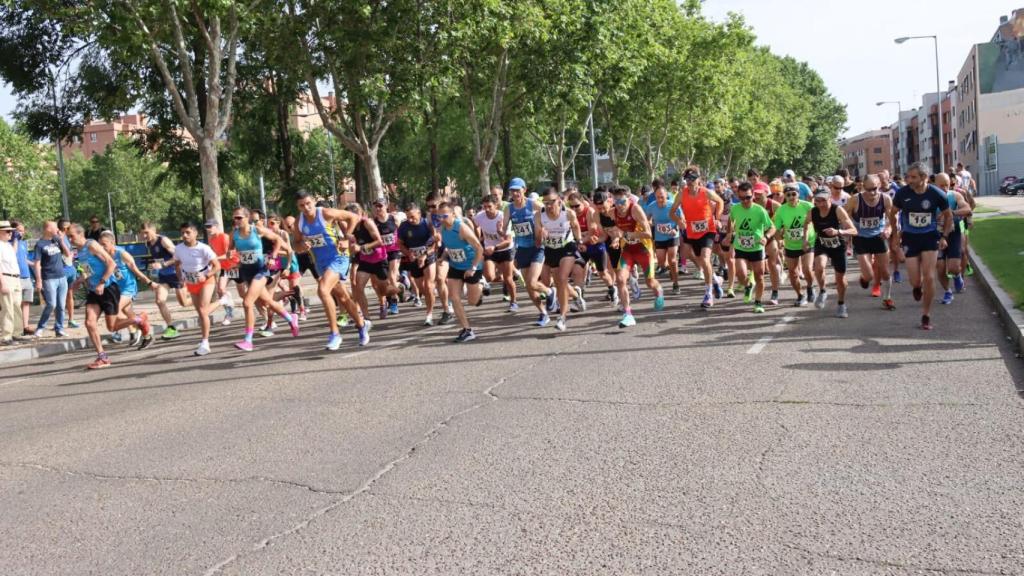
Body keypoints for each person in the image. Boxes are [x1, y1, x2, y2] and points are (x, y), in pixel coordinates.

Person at [66, 224, 152, 369]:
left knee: (112, 327)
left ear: (81, 234)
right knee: (89, 322)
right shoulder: (79, 252)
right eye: (68, 237)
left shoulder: (92, 245)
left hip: (108, 289)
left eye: (71, 236)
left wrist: (101, 282)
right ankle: (102, 357)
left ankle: (139, 319)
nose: (69, 239)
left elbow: (111, 264)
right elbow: (88, 270)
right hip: (94, 291)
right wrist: (79, 280)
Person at [293, 191, 370, 350]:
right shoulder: (299, 223)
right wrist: (302, 246)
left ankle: (335, 334)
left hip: (338, 257)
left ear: (313, 201)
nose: (306, 208)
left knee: (322, 290)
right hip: (320, 263)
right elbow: (297, 245)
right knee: (343, 297)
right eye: (302, 205)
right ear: (298, 207)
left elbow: (353, 217)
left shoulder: (326, 213)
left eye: (308, 203)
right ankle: (362, 325)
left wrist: (345, 237)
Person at [889, 161, 955, 330]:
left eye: (913, 177)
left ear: (924, 177)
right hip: (910, 238)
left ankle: (926, 315)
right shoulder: (903, 193)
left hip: (929, 237)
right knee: (915, 280)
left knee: (930, 277)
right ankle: (917, 287)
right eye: (908, 177)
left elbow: (948, 216)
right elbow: (893, 213)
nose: (909, 180)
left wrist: (944, 236)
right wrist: (896, 235)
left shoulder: (937, 194)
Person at [227, 207, 300, 351]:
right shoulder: (234, 234)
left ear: (247, 218)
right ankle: (291, 319)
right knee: (268, 302)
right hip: (246, 271)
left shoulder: (257, 230)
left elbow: (278, 240)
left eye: (239, 217)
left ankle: (248, 340)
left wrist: (273, 257)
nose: (236, 220)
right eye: (234, 218)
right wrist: (231, 254)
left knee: (247, 303)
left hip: (261, 271)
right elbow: (230, 249)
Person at [611, 185, 664, 327]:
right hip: (628, 250)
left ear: (629, 199)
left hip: (643, 250)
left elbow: (648, 233)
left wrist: (631, 234)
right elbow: (616, 230)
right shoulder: (613, 212)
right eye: (616, 202)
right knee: (620, 279)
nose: (619, 206)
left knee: (649, 282)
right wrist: (616, 239)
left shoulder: (635, 209)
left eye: (622, 202)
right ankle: (628, 314)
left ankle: (659, 291)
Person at [672, 167, 725, 307]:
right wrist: (678, 221)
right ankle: (714, 279)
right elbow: (672, 212)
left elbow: (720, 201)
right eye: (687, 180)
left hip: (708, 229)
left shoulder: (705, 192)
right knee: (687, 254)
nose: (690, 182)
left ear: (698, 180)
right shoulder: (681, 194)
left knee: (705, 258)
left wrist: (717, 218)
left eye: (692, 179)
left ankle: (708, 294)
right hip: (691, 231)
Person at [535, 186, 584, 331]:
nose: (549, 206)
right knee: (557, 282)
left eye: (552, 202)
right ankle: (576, 295)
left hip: (567, 247)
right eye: (546, 203)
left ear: (559, 201)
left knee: (562, 278)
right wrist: (540, 234)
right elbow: (537, 242)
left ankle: (562, 317)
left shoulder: (568, 213)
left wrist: (579, 241)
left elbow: (575, 227)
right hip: (551, 249)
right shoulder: (539, 216)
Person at [722, 183, 775, 313]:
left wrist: (766, 237)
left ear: (753, 196)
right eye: (741, 198)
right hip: (741, 246)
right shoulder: (735, 209)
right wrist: (729, 234)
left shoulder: (760, 210)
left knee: (760, 276)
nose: (745, 201)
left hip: (757, 247)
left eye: (748, 197)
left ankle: (758, 302)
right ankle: (748, 285)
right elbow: (731, 221)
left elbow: (772, 227)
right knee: (741, 274)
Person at [504, 178, 550, 326]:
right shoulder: (509, 208)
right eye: (512, 190)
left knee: (532, 281)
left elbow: (549, 214)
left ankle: (550, 293)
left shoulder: (533, 203)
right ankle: (543, 313)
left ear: (524, 190)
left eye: (518, 190)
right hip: (522, 249)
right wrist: (500, 230)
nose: (515, 193)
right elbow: (504, 228)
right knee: (529, 287)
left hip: (537, 247)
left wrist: (544, 229)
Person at [171, 222, 222, 356]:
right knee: (200, 312)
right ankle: (223, 301)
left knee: (203, 311)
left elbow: (217, 266)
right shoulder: (179, 249)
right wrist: (180, 278)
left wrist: (206, 275)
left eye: (188, 232)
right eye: (182, 233)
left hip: (206, 280)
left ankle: (205, 343)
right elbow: (177, 264)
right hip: (190, 281)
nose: (185, 235)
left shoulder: (204, 248)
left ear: (195, 233)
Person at [807, 188, 858, 318]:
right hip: (822, 243)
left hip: (838, 246)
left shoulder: (837, 210)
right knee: (819, 267)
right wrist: (805, 239)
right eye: (817, 201)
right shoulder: (813, 212)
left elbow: (853, 230)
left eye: (823, 200)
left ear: (830, 199)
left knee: (840, 278)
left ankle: (841, 303)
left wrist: (838, 232)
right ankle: (823, 290)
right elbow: (805, 225)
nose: (821, 204)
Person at [438, 201, 484, 342]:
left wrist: (473, 268)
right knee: (454, 297)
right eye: (438, 217)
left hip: (471, 265)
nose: (441, 219)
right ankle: (467, 330)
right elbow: (450, 247)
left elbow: (479, 248)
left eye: (444, 216)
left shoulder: (461, 228)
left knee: (472, 301)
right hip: (456, 266)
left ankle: (482, 285)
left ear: (453, 214)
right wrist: (443, 256)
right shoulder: (443, 229)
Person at [846, 175, 894, 307]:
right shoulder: (855, 200)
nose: (872, 192)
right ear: (862, 187)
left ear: (879, 185)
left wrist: (888, 229)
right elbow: (845, 217)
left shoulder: (885, 199)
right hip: (861, 238)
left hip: (879, 236)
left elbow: (892, 219)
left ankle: (887, 298)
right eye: (868, 189)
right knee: (869, 276)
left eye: (875, 188)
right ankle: (864, 278)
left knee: (885, 271)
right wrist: (849, 231)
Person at [141, 222, 190, 339]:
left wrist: (163, 264)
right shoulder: (148, 244)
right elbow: (158, 260)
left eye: (146, 233)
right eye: (142, 234)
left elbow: (178, 257)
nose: (144, 236)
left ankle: (202, 302)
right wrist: (155, 267)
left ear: (154, 230)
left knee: (184, 303)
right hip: (164, 277)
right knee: (159, 301)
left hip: (176, 274)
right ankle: (171, 328)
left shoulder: (164, 241)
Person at [773, 183, 816, 307]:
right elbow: (776, 228)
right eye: (788, 195)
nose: (791, 197)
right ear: (785, 196)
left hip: (808, 242)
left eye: (794, 194)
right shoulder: (781, 210)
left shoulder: (808, 206)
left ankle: (810, 286)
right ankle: (800, 295)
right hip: (791, 244)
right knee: (793, 272)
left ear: (798, 194)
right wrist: (779, 239)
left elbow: (817, 220)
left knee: (807, 268)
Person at [933, 173, 973, 306]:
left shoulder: (955, 195)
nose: (944, 188)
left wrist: (952, 213)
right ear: (934, 185)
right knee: (939, 267)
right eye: (941, 186)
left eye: (947, 185)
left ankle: (957, 276)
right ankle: (947, 291)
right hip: (937, 235)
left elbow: (967, 208)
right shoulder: (930, 198)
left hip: (953, 233)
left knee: (953, 268)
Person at [398, 201, 440, 325]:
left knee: (428, 285)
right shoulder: (403, 226)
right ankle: (432, 295)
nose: (410, 220)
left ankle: (429, 315)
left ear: (419, 213)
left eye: (413, 217)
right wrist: (408, 253)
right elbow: (399, 243)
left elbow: (436, 242)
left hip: (428, 256)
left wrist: (425, 254)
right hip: (413, 259)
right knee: (423, 289)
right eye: (408, 217)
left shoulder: (427, 223)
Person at [474, 194, 517, 312]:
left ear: (496, 205)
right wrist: (478, 238)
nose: (487, 209)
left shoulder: (503, 218)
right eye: (484, 207)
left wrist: (495, 246)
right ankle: (486, 283)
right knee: (489, 276)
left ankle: (513, 302)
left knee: (508, 279)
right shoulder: (479, 216)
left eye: (489, 207)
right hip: (489, 249)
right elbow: (475, 226)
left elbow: (508, 241)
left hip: (505, 250)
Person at [33, 221, 72, 337]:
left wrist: (60, 240)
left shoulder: (56, 240)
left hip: (61, 277)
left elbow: (68, 253)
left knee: (61, 305)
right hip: (49, 278)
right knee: (51, 304)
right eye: (55, 227)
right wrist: (39, 280)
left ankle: (59, 328)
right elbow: (37, 264)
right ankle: (40, 327)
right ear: (47, 229)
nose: (57, 229)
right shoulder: (40, 244)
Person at [645, 181, 684, 295]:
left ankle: (676, 284)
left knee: (672, 260)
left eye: (662, 197)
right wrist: (649, 222)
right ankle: (670, 270)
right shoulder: (652, 206)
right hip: (660, 237)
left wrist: (675, 229)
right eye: (657, 197)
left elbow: (681, 219)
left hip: (672, 235)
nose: (660, 199)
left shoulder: (673, 205)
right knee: (662, 263)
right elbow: (646, 219)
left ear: (666, 195)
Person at [372, 197, 405, 315]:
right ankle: (400, 286)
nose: (378, 208)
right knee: (384, 280)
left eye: (380, 206)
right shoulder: (373, 222)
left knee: (391, 276)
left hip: (394, 251)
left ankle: (393, 303)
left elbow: (402, 233)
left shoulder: (394, 219)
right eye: (376, 206)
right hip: (381, 253)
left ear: (386, 206)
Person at [0, 221, 29, 345]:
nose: (10, 233)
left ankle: (17, 333)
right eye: (8, 231)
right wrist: (2, 283)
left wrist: (16, 239)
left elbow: (14, 252)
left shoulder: (7, 245)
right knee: (8, 308)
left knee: (17, 306)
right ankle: (6, 336)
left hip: (16, 278)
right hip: (6, 278)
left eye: (11, 231)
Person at [205, 220, 238, 325]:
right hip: (225, 268)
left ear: (216, 226)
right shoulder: (211, 239)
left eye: (210, 226)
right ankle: (229, 313)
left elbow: (230, 255)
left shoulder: (224, 237)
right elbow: (212, 254)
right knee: (220, 290)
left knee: (244, 295)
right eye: (206, 227)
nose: (208, 229)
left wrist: (215, 259)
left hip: (235, 266)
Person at [10, 221, 35, 336]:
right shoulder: (9, 243)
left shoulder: (24, 243)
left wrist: (34, 264)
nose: (22, 233)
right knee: (16, 303)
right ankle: (17, 328)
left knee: (26, 302)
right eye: (19, 230)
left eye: (23, 230)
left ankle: (25, 326)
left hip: (26, 276)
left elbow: (24, 259)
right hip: (16, 277)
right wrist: (14, 238)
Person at [57, 218, 80, 328]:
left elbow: (71, 253)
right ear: (65, 228)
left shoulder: (67, 237)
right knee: (59, 296)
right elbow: (66, 253)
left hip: (70, 268)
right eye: (69, 227)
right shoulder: (58, 237)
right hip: (62, 269)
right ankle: (59, 322)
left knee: (70, 294)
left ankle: (71, 319)